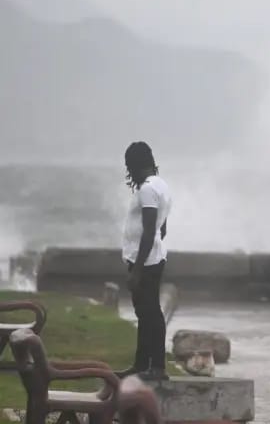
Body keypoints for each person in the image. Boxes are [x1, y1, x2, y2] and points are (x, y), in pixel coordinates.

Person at [117, 142, 172, 381]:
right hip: (153, 258)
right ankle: (141, 365)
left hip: (146, 262)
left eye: (129, 166)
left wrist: (137, 270)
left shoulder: (148, 189)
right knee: (145, 312)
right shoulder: (161, 185)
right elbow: (163, 227)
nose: (129, 172)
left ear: (136, 165)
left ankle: (157, 367)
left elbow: (150, 230)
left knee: (150, 312)